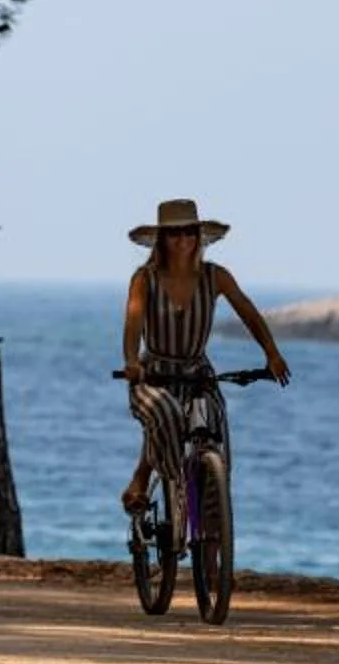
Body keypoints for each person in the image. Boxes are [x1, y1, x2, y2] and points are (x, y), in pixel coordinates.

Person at [119, 197, 289, 522]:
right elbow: (133, 321)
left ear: (198, 237)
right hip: (153, 375)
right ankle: (165, 484)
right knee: (166, 412)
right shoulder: (145, 278)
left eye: (189, 232)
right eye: (174, 233)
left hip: (198, 374)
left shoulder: (215, 276)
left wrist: (272, 353)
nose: (183, 239)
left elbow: (248, 312)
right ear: (161, 239)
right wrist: (131, 361)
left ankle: (212, 537)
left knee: (213, 426)